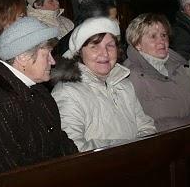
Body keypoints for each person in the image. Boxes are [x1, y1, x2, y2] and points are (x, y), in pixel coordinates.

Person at [0, 17, 77, 181]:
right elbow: (5, 171)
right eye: (46, 54)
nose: (53, 61)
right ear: (23, 57)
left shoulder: (36, 89)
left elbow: (59, 142)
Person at [52, 17, 156, 151]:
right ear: (79, 52)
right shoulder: (67, 93)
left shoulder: (124, 85)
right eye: (94, 46)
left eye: (110, 45)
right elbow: (73, 148)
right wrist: (129, 150)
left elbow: (146, 127)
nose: (105, 53)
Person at [123, 14, 190, 131]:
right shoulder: (132, 76)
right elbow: (153, 124)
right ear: (137, 44)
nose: (161, 41)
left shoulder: (177, 68)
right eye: (153, 36)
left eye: (164, 35)